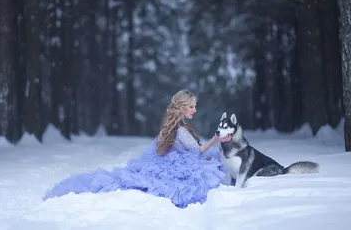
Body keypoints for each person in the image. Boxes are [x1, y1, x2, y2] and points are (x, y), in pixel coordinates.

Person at [42, 89, 226, 208]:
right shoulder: (182, 131)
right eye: (191, 106)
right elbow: (198, 152)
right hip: (182, 163)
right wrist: (215, 139)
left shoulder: (173, 128)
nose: (194, 110)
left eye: (195, 106)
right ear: (182, 108)